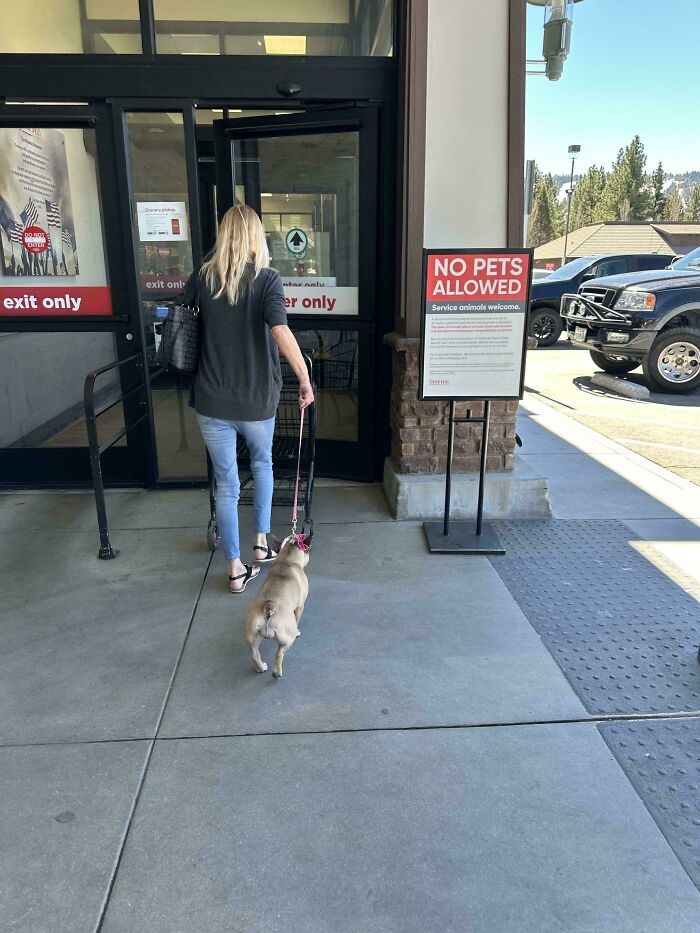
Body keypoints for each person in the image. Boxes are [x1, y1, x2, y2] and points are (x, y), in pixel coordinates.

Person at [186, 205, 314, 594]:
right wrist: (305, 378)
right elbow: (280, 330)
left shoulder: (201, 279)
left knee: (226, 485)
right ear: (257, 237)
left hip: (211, 399)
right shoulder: (267, 280)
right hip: (256, 398)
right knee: (262, 465)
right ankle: (261, 542)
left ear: (223, 235)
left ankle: (235, 569)